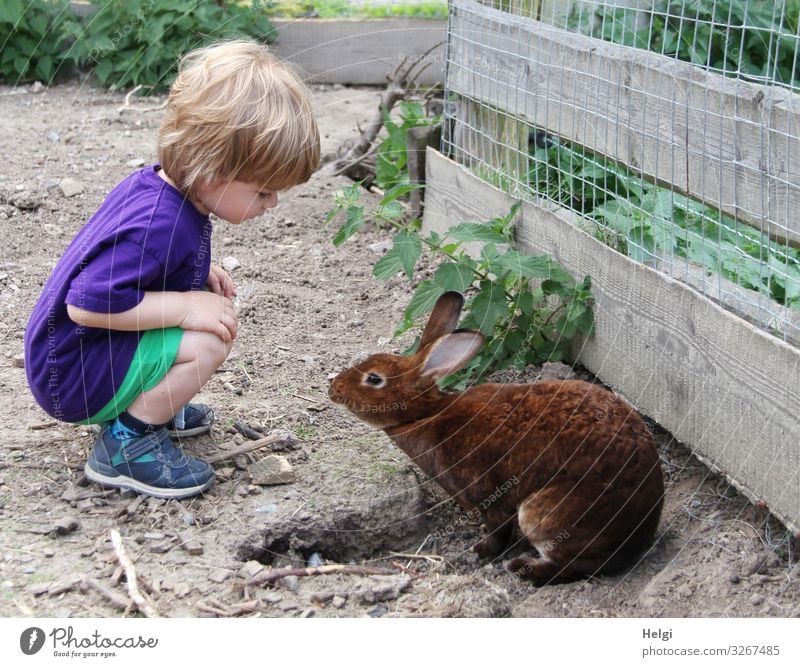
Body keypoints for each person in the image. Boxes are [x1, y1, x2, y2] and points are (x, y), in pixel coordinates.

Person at [24, 40, 320, 499]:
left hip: (81, 358)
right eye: (263, 191)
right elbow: (86, 305)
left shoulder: (166, 191)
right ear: (213, 170)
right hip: (74, 378)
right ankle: (129, 441)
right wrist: (184, 306)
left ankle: (153, 404)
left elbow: (140, 267)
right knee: (207, 342)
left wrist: (195, 272)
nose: (273, 203)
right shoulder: (158, 226)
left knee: (204, 325)